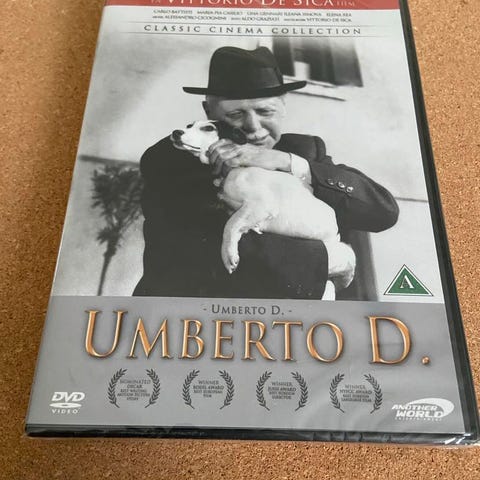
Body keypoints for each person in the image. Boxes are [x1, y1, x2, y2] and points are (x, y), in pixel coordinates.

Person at [133, 46, 398, 299]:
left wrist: (286, 161)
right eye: (236, 114)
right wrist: (333, 258)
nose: (253, 126)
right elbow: (219, 251)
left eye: (264, 111)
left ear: (283, 106)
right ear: (208, 112)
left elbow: (382, 211)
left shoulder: (304, 150)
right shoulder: (174, 157)